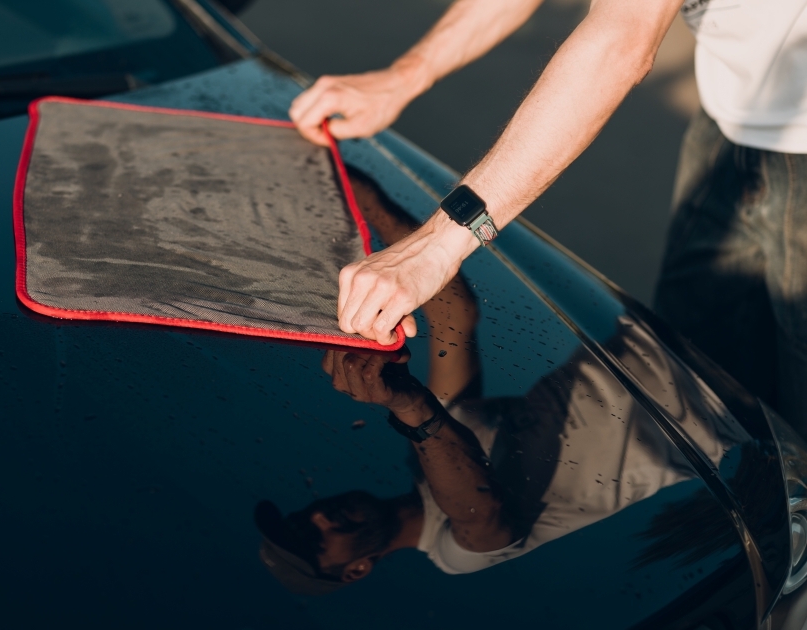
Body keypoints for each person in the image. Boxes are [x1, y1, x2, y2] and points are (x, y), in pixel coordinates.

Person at [289, 0, 807, 430]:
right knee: (705, 392)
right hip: (736, 121)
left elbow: (618, 43)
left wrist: (440, 244)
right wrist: (404, 76)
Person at [254, 171, 737, 594]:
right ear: (355, 569)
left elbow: (452, 316)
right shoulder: (455, 553)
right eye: (314, 540)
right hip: (721, 404)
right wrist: (409, 404)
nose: (319, 517)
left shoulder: (431, 451)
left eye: (304, 517)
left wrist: (365, 199)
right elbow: (483, 515)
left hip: (660, 331)